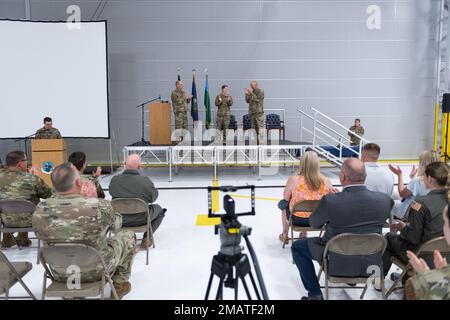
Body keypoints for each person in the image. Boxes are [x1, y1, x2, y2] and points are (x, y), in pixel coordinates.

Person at [291, 158, 392, 300]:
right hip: (370, 263)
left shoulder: (331, 201)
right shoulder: (385, 200)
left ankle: (315, 294)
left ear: (342, 177)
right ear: (365, 176)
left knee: (297, 247)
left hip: (336, 260)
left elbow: (314, 223)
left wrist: (329, 201)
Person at [32, 163, 136, 299]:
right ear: (78, 182)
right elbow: (117, 226)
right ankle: (119, 284)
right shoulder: (98, 206)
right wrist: (93, 199)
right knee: (128, 235)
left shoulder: (39, 210)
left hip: (60, 272)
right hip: (99, 270)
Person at [382, 162, 449, 279]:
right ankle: (406, 278)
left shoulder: (420, 203)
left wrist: (403, 228)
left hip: (424, 256)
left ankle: (379, 282)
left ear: (429, 178)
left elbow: (414, 237)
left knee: (388, 238)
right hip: (446, 255)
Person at [109, 154, 166, 248]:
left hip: (119, 220)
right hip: (141, 219)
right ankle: (147, 237)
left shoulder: (114, 180)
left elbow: (112, 194)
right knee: (159, 210)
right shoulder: (145, 181)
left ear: (124, 164)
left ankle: (125, 237)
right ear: (139, 167)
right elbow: (153, 199)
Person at [0, 151, 52, 247]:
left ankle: (8, 238)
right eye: (26, 160)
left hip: (6, 221)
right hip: (30, 221)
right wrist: (37, 177)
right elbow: (48, 195)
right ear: (20, 163)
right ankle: (22, 238)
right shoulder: (31, 178)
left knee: (8, 199)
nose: (27, 162)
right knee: (32, 199)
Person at [278, 151, 333, 244]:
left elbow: (285, 198)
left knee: (283, 204)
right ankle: (303, 234)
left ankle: (285, 233)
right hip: (318, 220)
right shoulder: (326, 181)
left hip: (297, 219)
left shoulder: (294, 179)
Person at [405, 205, 450, 300]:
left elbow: (414, 237)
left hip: (421, 253)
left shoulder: (422, 284)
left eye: (445, 222)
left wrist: (425, 277)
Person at [389, 150, 439, 219]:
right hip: (425, 210)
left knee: (388, 202)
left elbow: (402, 193)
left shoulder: (418, 181)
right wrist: (412, 178)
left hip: (410, 212)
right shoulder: (439, 180)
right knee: (394, 195)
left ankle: (393, 226)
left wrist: (399, 175)